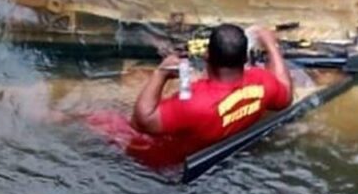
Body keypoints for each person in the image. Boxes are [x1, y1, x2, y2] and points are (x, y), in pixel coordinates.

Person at [86, 24, 294, 168]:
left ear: (207, 56)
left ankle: (56, 117)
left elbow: (141, 122)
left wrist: (161, 73)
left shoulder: (194, 103)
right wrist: (271, 45)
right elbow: (285, 96)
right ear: (245, 59)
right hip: (211, 146)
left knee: (91, 116)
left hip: (159, 160)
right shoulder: (263, 82)